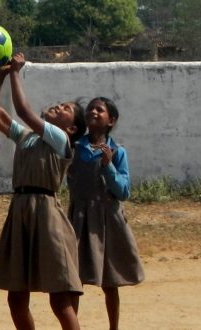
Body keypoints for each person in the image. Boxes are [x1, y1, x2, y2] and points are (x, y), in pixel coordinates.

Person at [0, 53, 86, 330]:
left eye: (65, 108)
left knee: (60, 300)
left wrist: (16, 73)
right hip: (21, 211)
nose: (57, 106)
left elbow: (24, 111)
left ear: (72, 127)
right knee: (16, 297)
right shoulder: (28, 137)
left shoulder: (60, 139)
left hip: (46, 214)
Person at [67, 97, 145, 330]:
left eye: (99, 110)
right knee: (74, 281)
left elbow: (123, 191)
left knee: (110, 282)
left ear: (111, 120)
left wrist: (108, 166)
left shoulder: (117, 152)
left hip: (108, 220)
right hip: (79, 219)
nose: (93, 112)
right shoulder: (74, 148)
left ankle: (114, 327)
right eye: (90, 108)